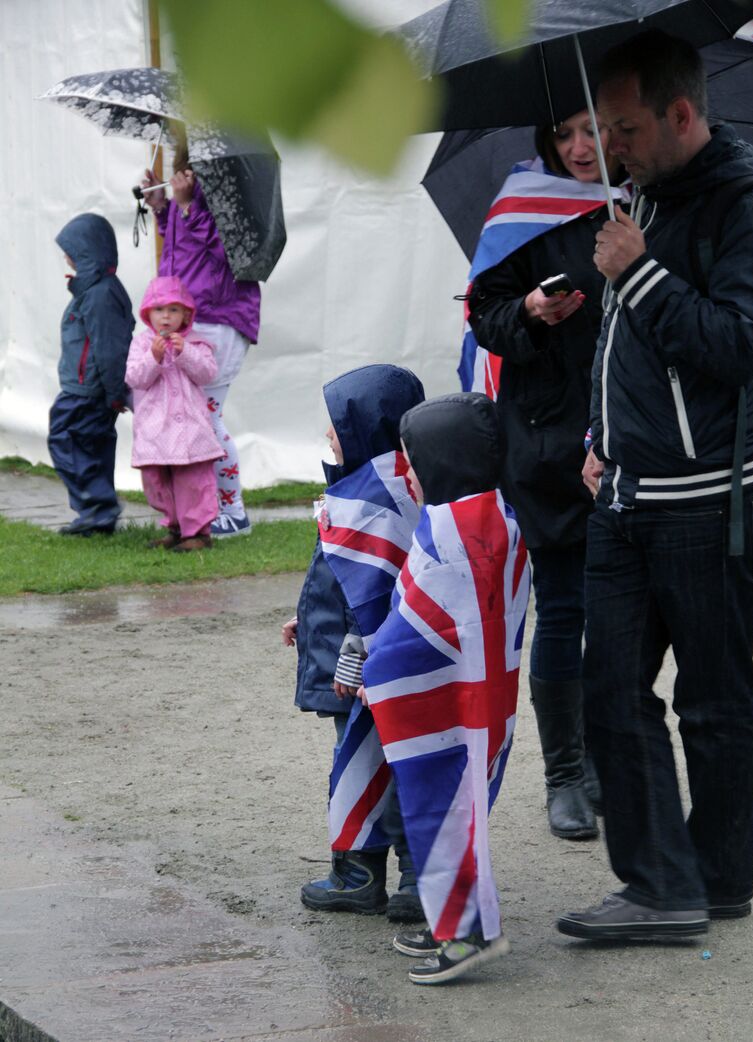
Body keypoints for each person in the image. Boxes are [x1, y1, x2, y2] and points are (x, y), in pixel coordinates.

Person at [557, 29, 753, 942]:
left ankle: (713, 883)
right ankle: (660, 884)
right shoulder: (641, 197)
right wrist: (602, 434)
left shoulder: (746, 207)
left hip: (710, 505)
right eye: (603, 127)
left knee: (713, 701)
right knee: (607, 689)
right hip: (625, 493)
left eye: (628, 127)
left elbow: (743, 346)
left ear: (683, 114)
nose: (610, 146)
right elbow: (628, 352)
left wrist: (636, 271)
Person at [467, 111, 627, 840]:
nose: (579, 147)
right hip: (546, 441)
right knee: (565, 608)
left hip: (634, 436)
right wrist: (529, 309)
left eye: (594, 129)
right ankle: (566, 773)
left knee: (624, 617)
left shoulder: (645, 202)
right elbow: (486, 318)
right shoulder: (522, 209)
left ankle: (608, 760)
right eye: (565, 133)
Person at [361, 392, 531, 985]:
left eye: (413, 457)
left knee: (442, 812)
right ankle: (453, 923)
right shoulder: (498, 516)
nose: (406, 469)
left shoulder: (450, 533)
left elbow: (416, 622)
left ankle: (466, 937)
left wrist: (374, 671)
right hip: (481, 699)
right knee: (460, 812)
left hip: (443, 702)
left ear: (442, 459)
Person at [282, 364, 426, 921]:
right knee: (382, 760)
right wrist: (308, 617)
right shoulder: (370, 487)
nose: (327, 436)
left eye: (337, 425)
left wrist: (347, 646)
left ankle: (383, 876)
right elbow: (338, 573)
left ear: (368, 427)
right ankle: (382, 874)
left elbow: (384, 589)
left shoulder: (383, 498)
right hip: (354, 653)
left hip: (367, 664)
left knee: (383, 762)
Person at [143, 135, 260, 539]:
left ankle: (234, 512)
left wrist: (191, 205)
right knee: (198, 418)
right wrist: (163, 210)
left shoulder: (225, 186)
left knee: (206, 419)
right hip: (195, 316)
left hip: (219, 316)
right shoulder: (185, 187)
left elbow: (231, 250)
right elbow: (181, 250)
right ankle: (209, 511)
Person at [49, 213, 135, 536]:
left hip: (87, 391)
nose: (67, 256)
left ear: (89, 253)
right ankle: (97, 516)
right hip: (90, 389)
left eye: (72, 250)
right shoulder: (94, 289)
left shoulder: (100, 294)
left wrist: (114, 392)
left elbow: (110, 348)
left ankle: (98, 505)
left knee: (64, 438)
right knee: (92, 445)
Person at [125, 276, 221, 552]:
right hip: (155, 430)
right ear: (147, 314)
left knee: (192, 480)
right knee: (158, 481)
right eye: (158, 310)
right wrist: (152, 359)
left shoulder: (196, 343)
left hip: (190, 431)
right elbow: (134, 378)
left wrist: (186, 352)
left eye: (173, 310)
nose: (165, 317)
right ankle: (175, 527)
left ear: (186, 314)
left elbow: (208, 373)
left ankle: (198, 532)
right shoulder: (142, 344)